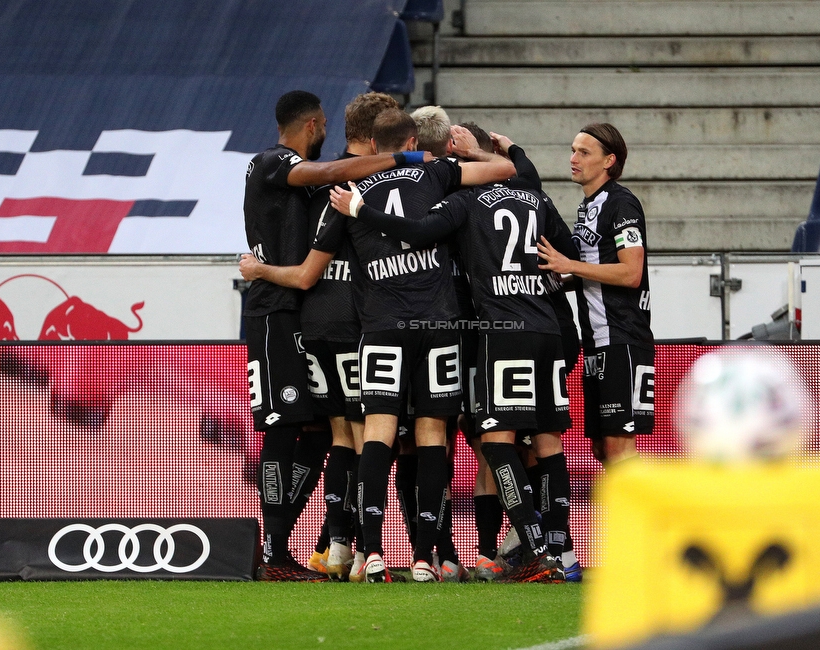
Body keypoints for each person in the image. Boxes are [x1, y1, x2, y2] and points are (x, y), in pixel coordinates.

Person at [242, 108, 515, 583]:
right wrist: (457, 154)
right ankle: (430, 555)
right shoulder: (433, 173)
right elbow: (505, 172)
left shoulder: (342, 193)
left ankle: (355, 550)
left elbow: (309, 271)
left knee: (359, 435)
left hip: (358, 327)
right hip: (428, 323)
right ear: (407, 140)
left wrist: (259, 269)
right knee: (427, 436)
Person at [330, 125, 578, 582]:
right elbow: (571, 258)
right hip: (546, 328)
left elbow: (421, 231)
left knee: (488, 443)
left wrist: (361, 208)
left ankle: (377, 551)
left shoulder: (462, 201)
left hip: (490, 331)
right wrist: (501, 147)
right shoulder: (534, 197)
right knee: (544, 443)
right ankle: (554, 553)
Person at [242, 90, 429, 581]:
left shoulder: (322, 184)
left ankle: (323, 541)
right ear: (314, 123)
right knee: (291, 427)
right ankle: (280, 549)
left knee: (321, 431)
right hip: (281, 312)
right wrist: (410, 156)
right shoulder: (274, 162)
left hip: (305, 317)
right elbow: (326, 176)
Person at [537, 123, 655, 466]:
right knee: (603, 449)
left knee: (619, 449)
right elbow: (597, 271)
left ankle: (643, 519)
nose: (573, 159)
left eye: (584, 152)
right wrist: (559, 280)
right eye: (573, 150)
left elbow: (631, 273)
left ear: (609, 161)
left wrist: (569, 263)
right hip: (596, 342)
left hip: (622, 337)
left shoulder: (622, 205)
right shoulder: (588, 207)